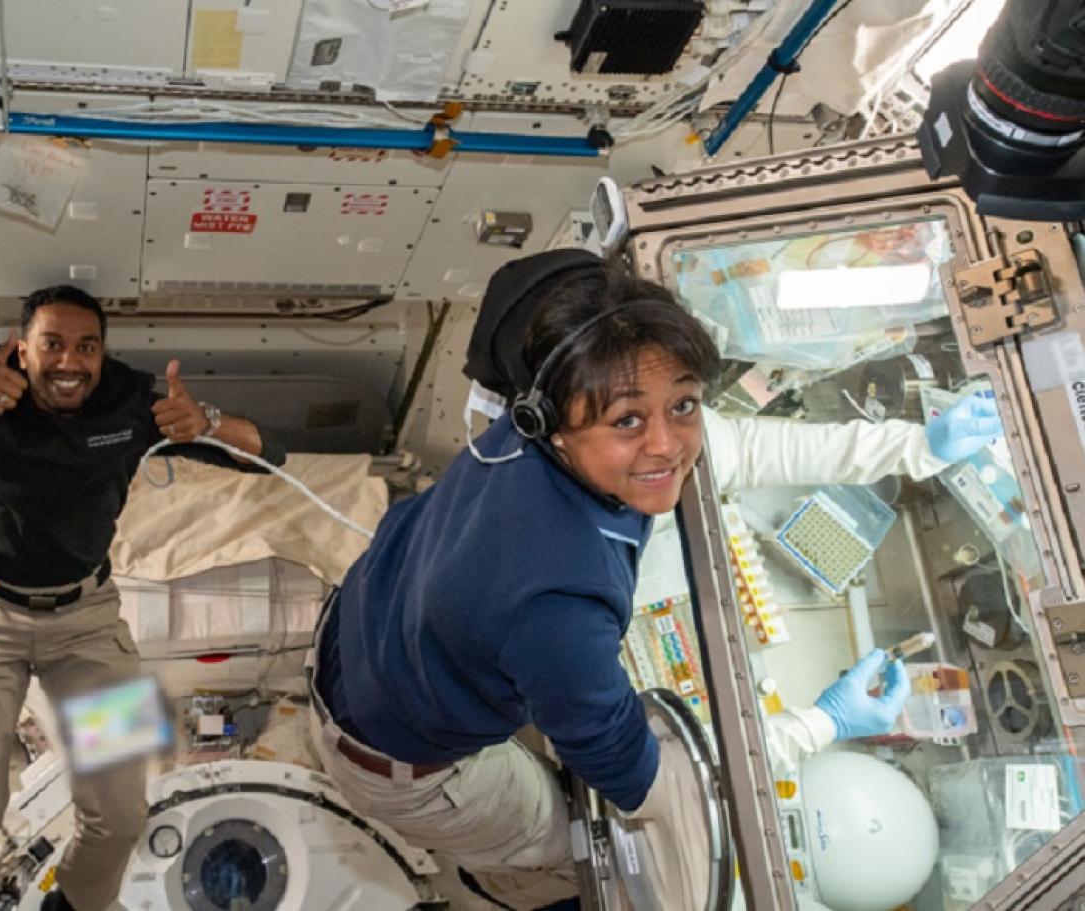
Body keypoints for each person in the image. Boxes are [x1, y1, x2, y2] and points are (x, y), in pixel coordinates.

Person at [308, 249, 1001, 911]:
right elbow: (656, 784)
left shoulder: (530, 426)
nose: (667, 445)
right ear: (553, 425)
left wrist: (918, 446)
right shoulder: (555, 605)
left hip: (363, 632)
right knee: (575, 838)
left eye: (684, 405)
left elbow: (744, 445)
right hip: (398, 760)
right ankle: (493, 892)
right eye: (629, 420)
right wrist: (825, 723)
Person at [0, 285, 286, 911]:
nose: (70, 362)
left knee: (120, 816)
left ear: (102, 354)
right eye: (53, 344)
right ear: (22, 348)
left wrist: (208, 424)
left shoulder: (129, 403)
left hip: (86, 625)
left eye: (86, 347)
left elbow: (269, 455)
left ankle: (72, 904)